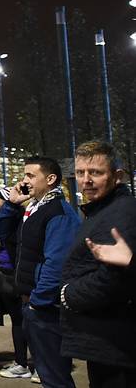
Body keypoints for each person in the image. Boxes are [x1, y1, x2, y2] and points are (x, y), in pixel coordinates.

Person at [59, 142, 136, 387]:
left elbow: (115, 279)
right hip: (105, 338)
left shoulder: (121, 213)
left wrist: (67, 294)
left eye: (96, 172)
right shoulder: (103, 209)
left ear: (117, 176)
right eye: (81, 173)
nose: (86, 180)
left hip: (116, 342)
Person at [0, 156, 81, 388]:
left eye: (31, 175)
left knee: (55, 377)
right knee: (48, 375)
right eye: (24, 175)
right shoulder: (35, 208)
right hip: (32, 304)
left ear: (51, 179)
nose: (24, 181)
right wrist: (12, 204)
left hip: (45, 308)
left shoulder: (59, 212)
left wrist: (38, 301)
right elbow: (9, 240)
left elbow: (57, 262)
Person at [0, 185, 32, 379]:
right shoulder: (7, 222)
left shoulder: (18, 224)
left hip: (16, 275)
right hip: (7, 275)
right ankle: (22, 362)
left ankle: (38, 363)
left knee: (29, 322)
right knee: (18, 321)